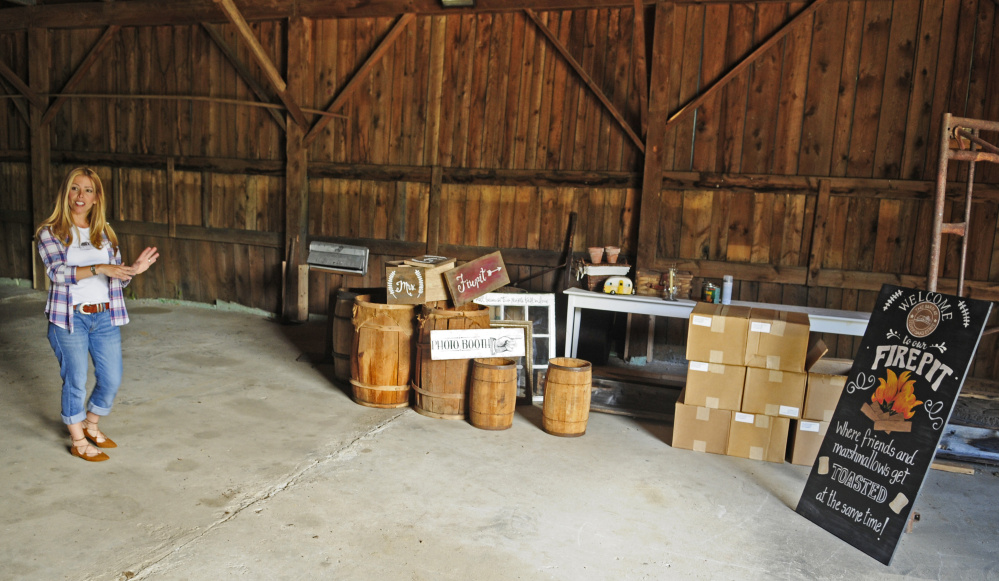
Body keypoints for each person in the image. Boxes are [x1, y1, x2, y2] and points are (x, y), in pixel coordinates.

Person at [36, 167, 159, 462]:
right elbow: (57, 272)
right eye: (75, 189)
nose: (81, 196)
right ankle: (78, 440)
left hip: (104, 317)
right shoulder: (50, 232)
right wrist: (99, 268)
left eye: (88, 190)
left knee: (111, 378)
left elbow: (113, 277)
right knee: (76, 380)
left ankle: (91, 424)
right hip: (70, 319)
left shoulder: (103, 232)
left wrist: (132, 271)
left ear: (96, 197)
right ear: (66, 193)